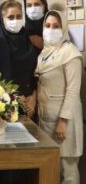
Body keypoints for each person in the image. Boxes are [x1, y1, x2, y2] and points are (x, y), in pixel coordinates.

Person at [35, 10, 83, 184]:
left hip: (65, 122)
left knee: (68, 170)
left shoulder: (71, 53)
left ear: (64, 28)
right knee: (53, 167)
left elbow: (73, 90)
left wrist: (63, 121)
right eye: (47, 26)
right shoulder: (45, 53)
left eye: (56, 26)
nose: (51, 29)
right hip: (47, 119)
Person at [0, 0, 38, 117]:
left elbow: (36, 72)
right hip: (5, 104)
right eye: (10, 17)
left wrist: (34, 97)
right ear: (2, 19)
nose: (15, 20)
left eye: (19, 17)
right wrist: (16, 96)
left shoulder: (28, 39)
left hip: (30, 103)